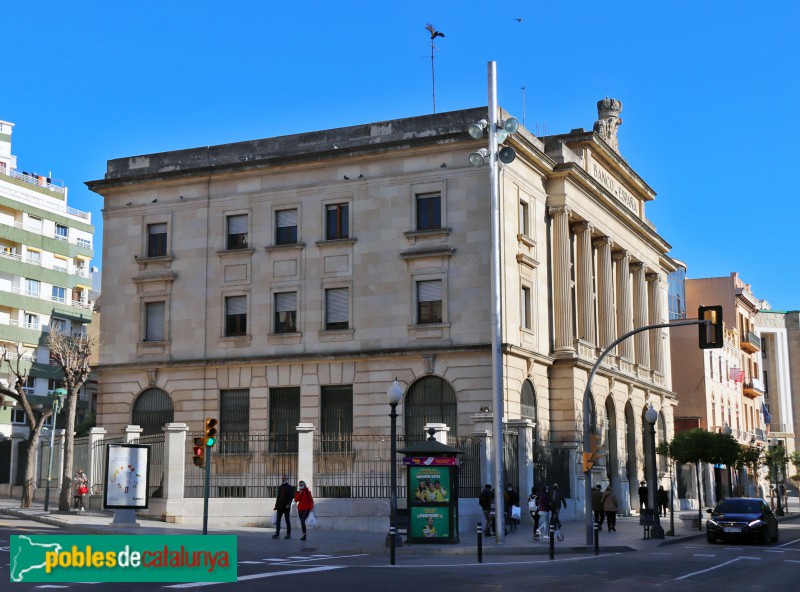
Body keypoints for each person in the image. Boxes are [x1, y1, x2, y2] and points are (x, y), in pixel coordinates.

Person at [272, 475, 296, 539]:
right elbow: (278, 497)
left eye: (284, 478)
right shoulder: (280, 487)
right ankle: (277, 533)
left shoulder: (290, 487)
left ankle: (288, 534)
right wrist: (276, 506)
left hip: (286, 506)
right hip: (280, 506)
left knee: (287, 520)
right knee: (278, 520)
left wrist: (289, 504)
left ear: (287, 479)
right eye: (282, 478)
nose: (283, 479)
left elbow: (291, 497)